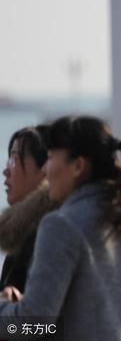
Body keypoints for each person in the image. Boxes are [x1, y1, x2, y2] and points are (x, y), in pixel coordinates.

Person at [0, 116, 121, 341]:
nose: (46, 171)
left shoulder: (61, 225)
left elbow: (32, 325)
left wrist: (4, 309)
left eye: (50, 157)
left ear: (78, 166)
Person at [1, 125, 58, 294]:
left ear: (47, 169)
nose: (6, 171)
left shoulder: (50, 233)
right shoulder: (21, 231)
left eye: (14, 159)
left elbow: (44, 317)